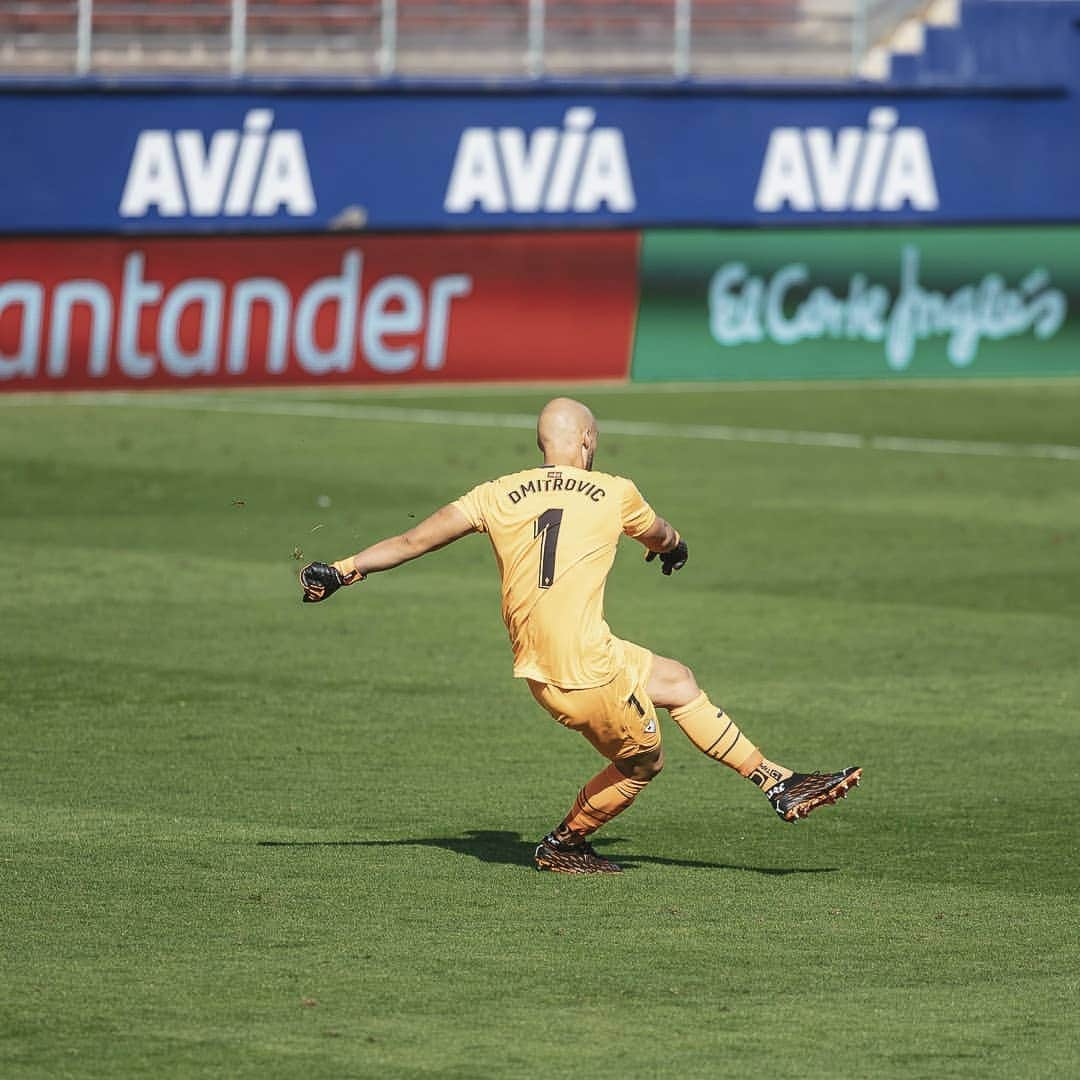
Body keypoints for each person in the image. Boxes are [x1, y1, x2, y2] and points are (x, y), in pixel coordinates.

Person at [300, 398, 861, 875]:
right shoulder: (614, 491)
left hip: (549, 661)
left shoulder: (496, 493)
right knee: (643, 764)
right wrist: (674, 548)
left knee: (676, 679)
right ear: (587, 439)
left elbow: (409, 542)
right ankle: (563, 845)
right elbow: (663, 534)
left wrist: (342, 569)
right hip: (586, 670)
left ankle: (777, 781)